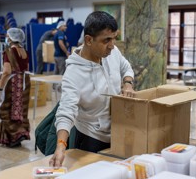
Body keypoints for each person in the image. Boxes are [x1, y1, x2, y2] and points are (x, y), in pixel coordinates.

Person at [49, 11, 134, 167]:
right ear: (88, 40)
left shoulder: (112, 53)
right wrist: (61, 146)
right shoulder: (74, 73)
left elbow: (125, 67)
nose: (112, 45)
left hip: (117, 134)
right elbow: (66, 111)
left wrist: (127, 83)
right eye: (106, 40)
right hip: (91, 139)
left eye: (114, 38)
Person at [0, 28, 31, 147]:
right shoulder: (25, 51)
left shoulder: (9, 52)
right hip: (24, 83)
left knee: (6, 110)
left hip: (12, 84)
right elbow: (25, 68)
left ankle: (13, 136)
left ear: (11, 38)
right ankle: (20, 134)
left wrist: (0, 88)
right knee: (20, 110)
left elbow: (7, 71)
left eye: (7, 36)